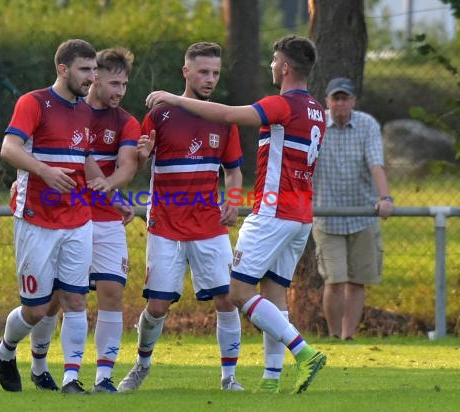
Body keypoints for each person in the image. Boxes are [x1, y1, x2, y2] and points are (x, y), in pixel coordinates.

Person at [145, 35, 327, 394]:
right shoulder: (316, 108)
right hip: (301, 216)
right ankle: (271, 380)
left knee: (239, 292)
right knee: (274, 296)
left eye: (275, 61)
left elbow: (228, 115)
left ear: (286, 67)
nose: (272, 66)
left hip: (273, 212)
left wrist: (172, 97)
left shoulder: (283, 104)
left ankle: (304, 353)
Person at [116, 42, 245, 392]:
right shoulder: (160, 113)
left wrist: (232, 199)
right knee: (157, 306)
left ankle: (229, 377)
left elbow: (233, 172)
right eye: (203, 72)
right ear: (186, 71)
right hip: (166, 225)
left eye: (216, 73)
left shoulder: (223, 117)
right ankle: (141, 365)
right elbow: (140, 161)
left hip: (208, 226)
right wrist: (143, 155)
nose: (210, 79)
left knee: (227, 299)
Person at [26, 47, 147, 394]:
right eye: (113, 83)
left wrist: (111, 189)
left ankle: (103, 378)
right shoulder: (69, 112)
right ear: (93, 78)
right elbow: (80, 160)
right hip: (65, 218)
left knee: (111, 293)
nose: (120, 91)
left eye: (124, 84)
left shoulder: (125, 120)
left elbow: (127, 164)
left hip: (106, 220)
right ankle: (39, 366)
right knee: (55, 300)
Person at [0, 38, 104, 394]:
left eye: (94, 69)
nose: (92, 77)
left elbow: (83, 157)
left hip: (77, 218)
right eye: (85, 70)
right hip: (36, 218)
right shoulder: (33, 102)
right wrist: (43, 171)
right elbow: (9, 148)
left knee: (74, 299)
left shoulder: (86, 111)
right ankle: (5, 349)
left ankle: (72, 378)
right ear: (63, 69)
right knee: (37, 310)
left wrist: (104, 183)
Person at [312, 77, 393, 341]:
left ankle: (348, 337)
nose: (340, 103)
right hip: (327, 216)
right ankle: (334, 336)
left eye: (345, 98)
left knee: (357, 280)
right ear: (327, 101)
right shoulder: (317, 124)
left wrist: (385, 198)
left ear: (353, 101)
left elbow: (376, 163)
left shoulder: (367, 124)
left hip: (362, 215)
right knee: (333, 280)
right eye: (335, 98)